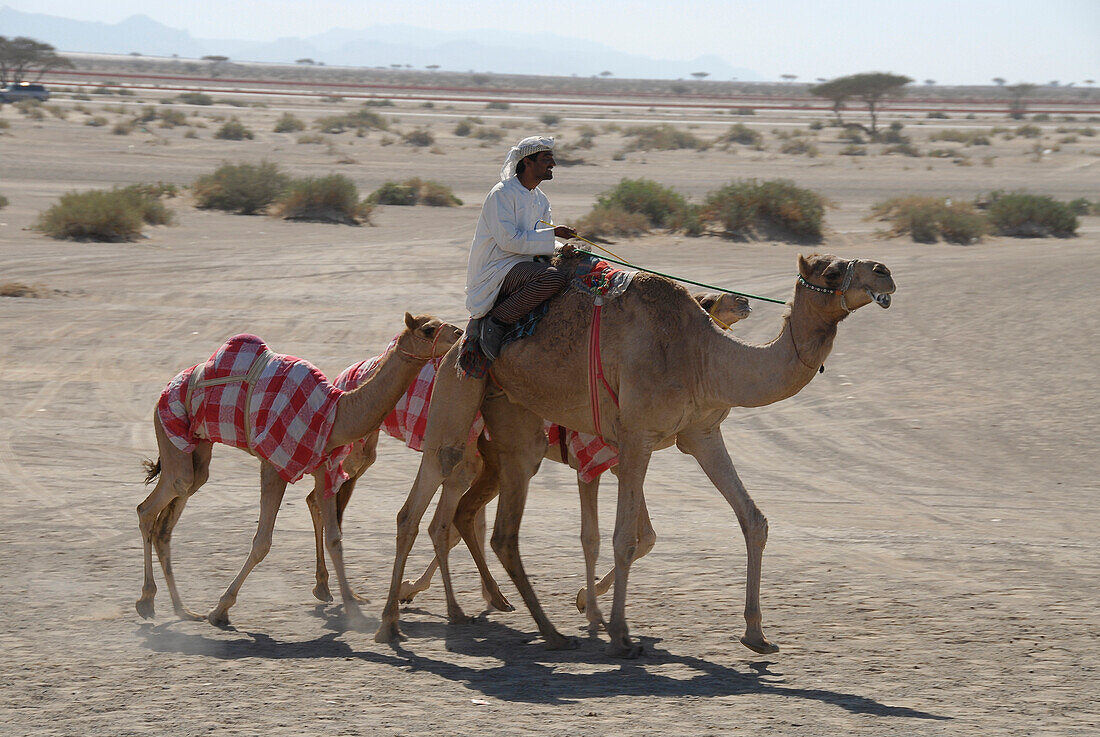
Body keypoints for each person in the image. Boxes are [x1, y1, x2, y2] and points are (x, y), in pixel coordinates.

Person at [466, 135, 578, 360]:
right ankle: (495, 322)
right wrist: (554, 234)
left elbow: (538, 237)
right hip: (497, 268)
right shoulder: (501, 194)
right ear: (527, 162)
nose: (553, 164)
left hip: (523, 262)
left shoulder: (541, 199)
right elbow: (510, 241)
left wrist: (560, 248)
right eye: (547, 158)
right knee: (553, 279)